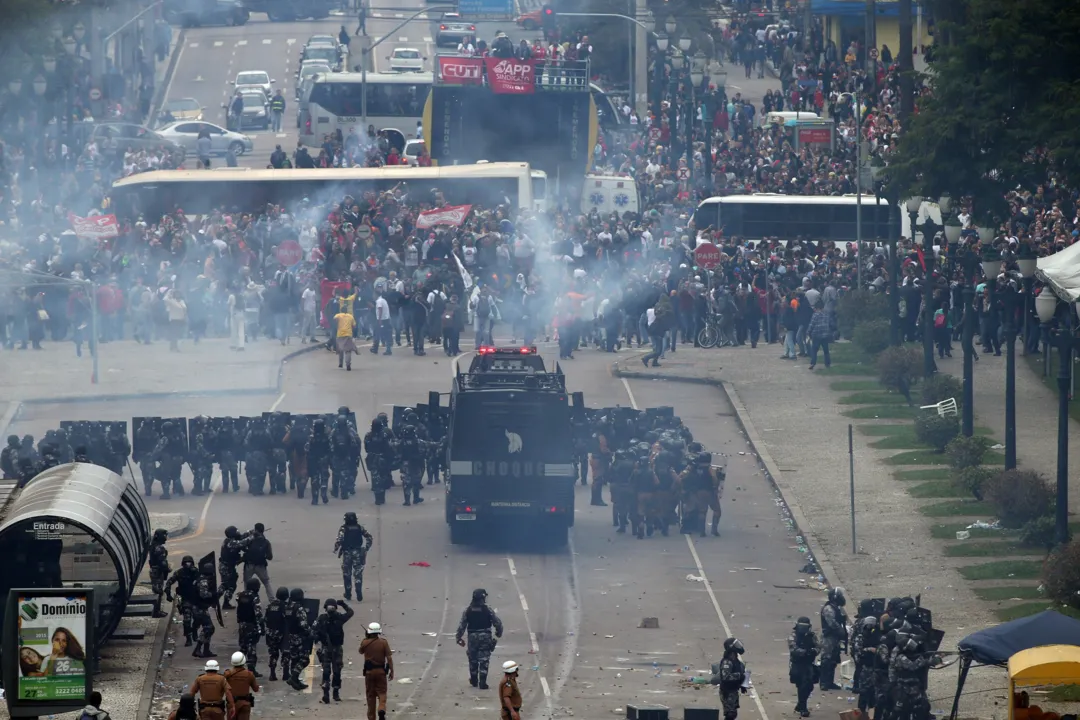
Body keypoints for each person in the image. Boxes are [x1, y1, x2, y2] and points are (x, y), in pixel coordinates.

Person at [455, 588, 504, 689]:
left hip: (472, 637)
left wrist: (458, 638)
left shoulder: (468, 610)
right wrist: (498, 634)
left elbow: (462, 626)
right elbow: (498, 623)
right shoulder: (488, 610)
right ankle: (483, 682)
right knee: (484, 660)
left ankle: (474, 680)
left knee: (473, 659)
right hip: (485, 637)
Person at [314, 598, 355, 703]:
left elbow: (350, 613)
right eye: (329, 607)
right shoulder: (322, 619)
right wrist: (317, 639)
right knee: (326, 672)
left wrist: (343, 604)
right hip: (326, 648)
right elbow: (314, 630)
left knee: (337, 671)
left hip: (337, 648)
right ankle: (326, 694)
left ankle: (335, 692)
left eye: (333, 607)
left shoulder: (339, 618)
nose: (331, 609)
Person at [335, 512, 374, 601]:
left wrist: (336, 548)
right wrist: (366, 548)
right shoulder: (360, 527)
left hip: (347, 553)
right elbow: (369, 537)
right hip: (358, 553)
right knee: (358, 574)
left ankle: (348, 593)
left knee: (347, 574)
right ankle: (358, 591)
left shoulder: (343, 528)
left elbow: (340, 539)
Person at [360, 622, 393, 720]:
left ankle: (371, 717)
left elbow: (360, 651)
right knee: (382, 693)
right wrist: (392, 670)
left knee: (370, 696)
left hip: (369, 673)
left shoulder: (365, 642)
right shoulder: (383, 642)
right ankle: (381, 709)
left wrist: (366, 638)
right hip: (381, 672)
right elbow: (389, 658)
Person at [165, 555, 200, 646]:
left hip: (196, 599)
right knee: (187, 620)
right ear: (183, 564)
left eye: (190, 563)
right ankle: (188, 637)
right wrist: (168, 594)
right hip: (185, 599)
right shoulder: (179, 573)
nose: (188, 565)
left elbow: (205, 582)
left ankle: (194, 631)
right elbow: (169, 582)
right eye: (186, 563)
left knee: (198, 618)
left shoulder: (196, 572)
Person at [788, 617, 819, 717]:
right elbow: (793, 649)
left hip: (809, 664)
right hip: (797, 664)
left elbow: (818, 646)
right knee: (801, 685)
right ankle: (803, 707)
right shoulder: (793, 636)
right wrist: (805, 652)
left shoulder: (812, 636)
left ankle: (800, 704)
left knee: (809, 685)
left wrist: (813, 651)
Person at [711, 637, 747, 720]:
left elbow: (740, 673)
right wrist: (739, 676)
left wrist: (742, 685)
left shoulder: (736, 661)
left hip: (733, 690)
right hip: (727, 691)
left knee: (732, 713)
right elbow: (725, 677)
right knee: (730, 714)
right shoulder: (727, 662)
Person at [819, 587, 848, 691]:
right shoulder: (828, 609)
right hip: (828, 637)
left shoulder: (836, 608)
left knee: (833, 660)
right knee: (826, 660)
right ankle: (823, 682)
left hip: (834, 637)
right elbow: (832, 624)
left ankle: (830, 682)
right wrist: (841, 632)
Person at [235, 578, 265, 676]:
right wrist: (262, 626)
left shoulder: (241, 595)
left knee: (243, 646)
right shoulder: (254, 597)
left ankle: (237, 668)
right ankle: (251, 669)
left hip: (242, 624)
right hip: (251, 625)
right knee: (251, 647)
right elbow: (258, 613)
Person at [284, 587, 312, 690]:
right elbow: (303, 624)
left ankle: (295, 682)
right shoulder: (299, 608)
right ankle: (294, 677)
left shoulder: (288, 607)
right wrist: (311, 633)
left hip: (290, 636)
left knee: (294, 658)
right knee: (305, 659)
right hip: (300, 637)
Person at [242, 523, 273, 600]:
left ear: (255, 530)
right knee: (266, 583)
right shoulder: (266, 542)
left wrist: (249, 533)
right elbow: (270, 557)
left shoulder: (250, 540)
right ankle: (272, 599)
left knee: (247, 583)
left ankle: (246, 599)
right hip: (261, 566)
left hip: (249, 565)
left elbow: (241, 543)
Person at [223, 652, 259, 720]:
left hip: (231, 703)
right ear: (244, 661)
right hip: (244, 704)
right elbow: (256, 689)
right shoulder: (249, 674)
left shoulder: (227, 674)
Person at [265, 586, 290, 681]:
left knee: (273, 654)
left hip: (271, 633)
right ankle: (286, 674)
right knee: (286, 653)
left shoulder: (270, 606)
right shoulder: (286, 606)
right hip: (282, 632)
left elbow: (266, 618)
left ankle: (272, 674)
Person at [807, 300, 832, 370]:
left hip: (816, 334)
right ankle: (827, 364)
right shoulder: (826, 314)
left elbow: (812, 324)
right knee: (826, 350)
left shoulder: (815, 315)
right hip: (825, 334)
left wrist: (808, 332)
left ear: (816, 308)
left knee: (814, 350)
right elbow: (829, 324)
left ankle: (813, 363)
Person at [334, 304, 357, 370]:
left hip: (340, 335)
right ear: (347, 311)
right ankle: (348, 365)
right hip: (348, 335)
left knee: (340, 349)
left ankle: (340, 363)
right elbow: (354, 326)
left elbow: (334, 320)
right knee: (348, 350)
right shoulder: (351, 316)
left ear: (340, 310)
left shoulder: (338, 315)